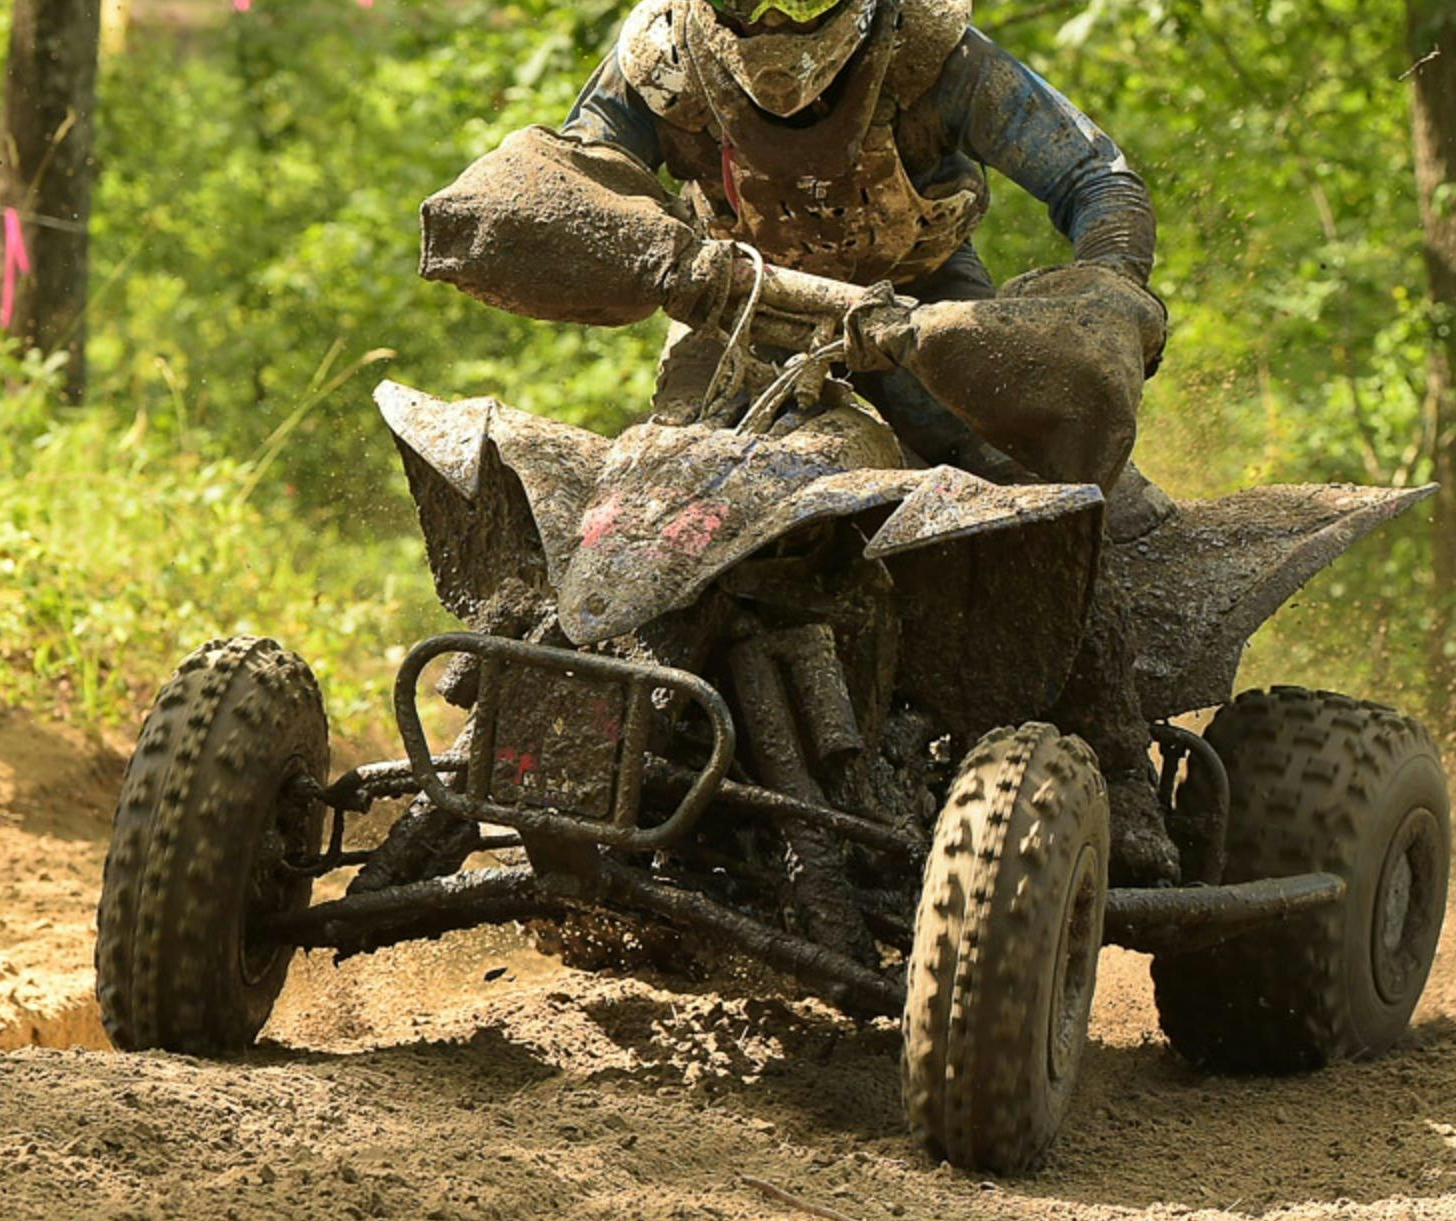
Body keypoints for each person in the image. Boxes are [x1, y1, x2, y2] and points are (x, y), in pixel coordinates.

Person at [469, 0, 1180, 881]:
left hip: (917, 311)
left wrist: (1106, 286)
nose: (776, 16)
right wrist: (649, 250)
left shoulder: (931, 54)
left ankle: (1118, 767)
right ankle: (577, 729)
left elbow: (1096, 177)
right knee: (651, 496)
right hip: (733, 306)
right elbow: (580, 168)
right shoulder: (663, 58)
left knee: (1028, 503)